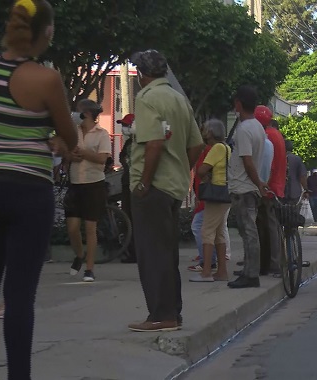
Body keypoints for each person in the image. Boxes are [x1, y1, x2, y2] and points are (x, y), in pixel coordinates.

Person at [0, 1, 77, 378]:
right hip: (27, 192)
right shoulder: (46, 80)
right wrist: (53, 139)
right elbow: (68, 135)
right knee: (20, 295)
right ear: (46, 33)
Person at [127, 49, 204, 332]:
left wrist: (144, 183)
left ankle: (162, 316)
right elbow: (196, 145)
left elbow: (154, 143)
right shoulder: (178, 99)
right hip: (173, 186)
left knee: (152, 254)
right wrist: (183, 170)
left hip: (153, 187)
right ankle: (173, 313)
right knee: (167, 252)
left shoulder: (147, 98)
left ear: (141, 74)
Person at [64, 99, 112, 283]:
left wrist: (83, 153)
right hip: (75, 183)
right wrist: (70, 156)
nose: (75, 114)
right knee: (72, 227)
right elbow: (66, 153)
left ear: (88, 114)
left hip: (94, 184)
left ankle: (89, 268)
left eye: (78, 111)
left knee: (91, 227)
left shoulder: (102, 134)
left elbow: (102, 159)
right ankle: (79, 254)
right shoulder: (73, 132)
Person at [227, 85, 267, 289]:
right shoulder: (258, 127)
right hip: (249, 187)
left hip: (244, 188)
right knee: (248, 232)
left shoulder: (244, 129)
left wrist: (258, 182)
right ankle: (249, 271)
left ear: (239, 104)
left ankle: (251, 274)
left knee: (248, 232)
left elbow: (247, 160)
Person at [190, 119, 232, 282]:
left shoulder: (216, 149)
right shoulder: (227, 147)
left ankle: (206, 271)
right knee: (219, 233)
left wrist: (205, 176)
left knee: (206, 231)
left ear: (210, 133)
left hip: (215, 193)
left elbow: (201, 170)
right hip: (225, 193)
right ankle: (221, 271)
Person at [254, 105, 285, 276]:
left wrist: (261, 185)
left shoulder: (268, 137)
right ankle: (270, 262)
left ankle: (273, 263)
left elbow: (268, 165)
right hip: (275, 186)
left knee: (269, 227)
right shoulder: (276, 134)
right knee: (270, 226)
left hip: (268, 187)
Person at [118, 113, 137, 263]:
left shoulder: (140, 143)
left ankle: (135, 253)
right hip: (127, 182)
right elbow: (122, 157)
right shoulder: (129, 142)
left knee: (134, 219)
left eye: (126, 125)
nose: (124, 128)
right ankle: (130, 251)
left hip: (135, 184)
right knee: (127, 218)